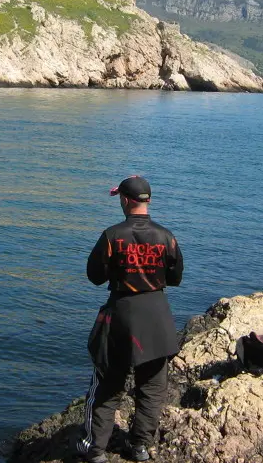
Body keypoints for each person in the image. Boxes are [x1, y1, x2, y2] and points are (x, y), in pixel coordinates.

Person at [75, 175, 183, 463]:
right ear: (148, 200)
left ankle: (95, 449)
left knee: (107, 387)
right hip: (157, 319)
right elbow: (175, 278)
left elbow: (95, 277)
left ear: (124, 199)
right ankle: (140, 447)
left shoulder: (112, 236)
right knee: (152, 388)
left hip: (122, 317)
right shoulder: (167, 237)